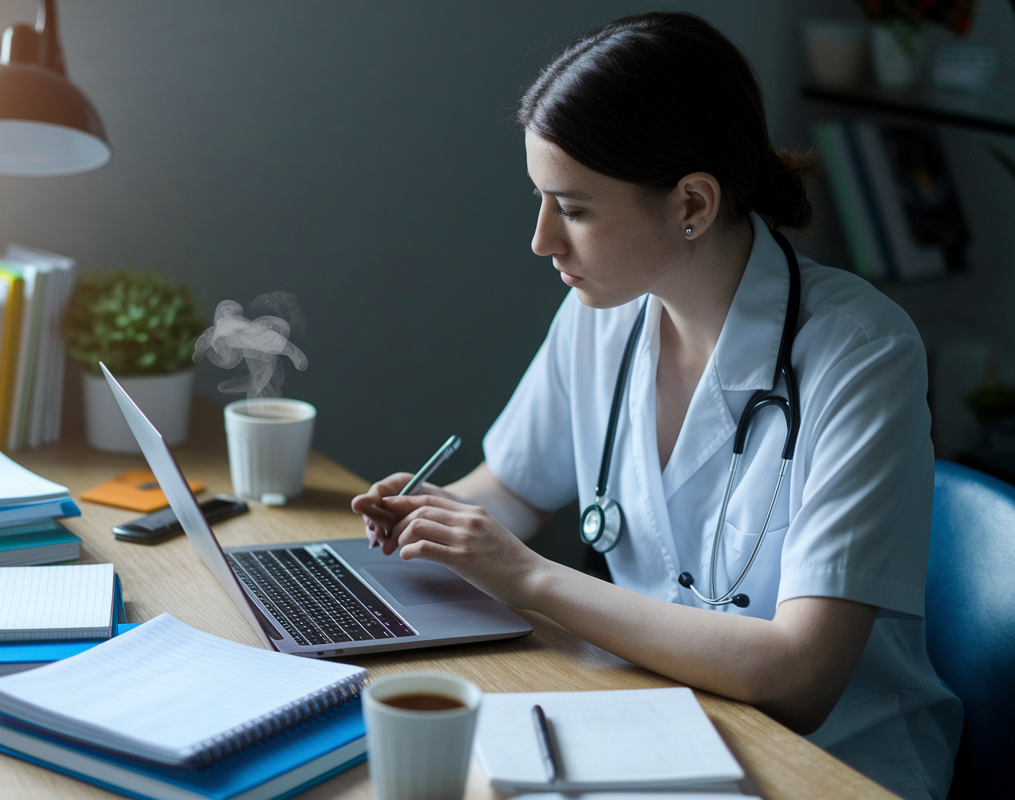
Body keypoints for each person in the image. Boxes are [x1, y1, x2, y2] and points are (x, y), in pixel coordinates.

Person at [351, 12, 961, 800]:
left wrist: (526, 576)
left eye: (571, 209)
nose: (541, 240)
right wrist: (427, 514)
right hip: (645, 717)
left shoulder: (860, 352)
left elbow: (801, 678)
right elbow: (511, 489)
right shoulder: (601, 316)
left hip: (832, 765)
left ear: (693, 206)